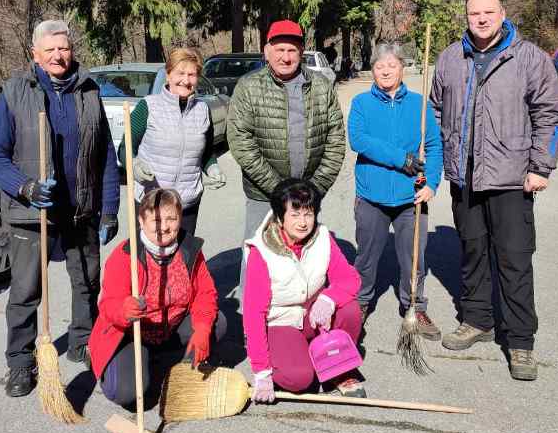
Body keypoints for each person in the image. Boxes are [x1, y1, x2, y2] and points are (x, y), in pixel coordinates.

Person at [429, 0, 558, 381]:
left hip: (511, 179)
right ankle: (477, 320)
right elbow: (436, 111)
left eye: (489, 12)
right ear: (466, 16)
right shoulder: (451, 58)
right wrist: (436, 158)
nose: (482, 19)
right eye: (475, 13)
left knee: (514, 258)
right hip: (465, 176)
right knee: (472, 252)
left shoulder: (530, 59)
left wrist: (541, 166)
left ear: (503, 13)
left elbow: (550, 115)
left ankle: (520, 340)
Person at [0, 20, 120, 397]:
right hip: (33, 213)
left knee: (88, 284)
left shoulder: (88, 89)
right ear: (35, 55)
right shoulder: (15, 92)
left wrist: (109, 206)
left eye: (64, 48)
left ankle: (82, 342)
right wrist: (25, 188)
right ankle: (20, 362)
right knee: (26, 291)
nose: (59, 56)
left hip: (81, 208)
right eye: (50, 51)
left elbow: (105, 154)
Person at [227, 19, 346, 298]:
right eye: (279, 49)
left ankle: (304, 322)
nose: (285, 57)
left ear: (301, 51)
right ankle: (252, 326)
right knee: (258, 260)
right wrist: (279, 191)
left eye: (292, 50)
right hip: (262, 195)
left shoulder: (320, 87)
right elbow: (241, 141)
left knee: (307, 263)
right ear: (266, 52)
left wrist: (313, 190)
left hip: (307, 195)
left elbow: (335, 139)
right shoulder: (248, 87)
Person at [88, 188, 226, 410]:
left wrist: (201, 329)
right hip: (132, 333)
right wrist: (125, 310)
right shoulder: (126, 255)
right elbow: (107, 305)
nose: (164, 226)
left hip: (170, 326)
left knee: (216, 323)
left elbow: (205, 293)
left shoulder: (189, 250)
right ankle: (119, 363)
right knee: (125, 393)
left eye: (171, 218)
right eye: (156, 219)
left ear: (180, 219)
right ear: (141, 221)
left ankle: (166, 361)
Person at [348, 42, 443, 336]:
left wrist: (432, 183)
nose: (385, 70)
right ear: (372, 71)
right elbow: (359, 140)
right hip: (371, 196)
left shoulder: (420, 105)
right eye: (379, 66)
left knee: (414, 258)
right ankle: (360, 304)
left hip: (410, 197)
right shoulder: (362, 104)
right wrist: (402, 159)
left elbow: (434, 146)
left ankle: (415, 306)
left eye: (391, 65)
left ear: (403, 67)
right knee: (366, 256)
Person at [243, 179, 364, 401]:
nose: (303, 222)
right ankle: (294, 354)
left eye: (308, 214)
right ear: (280, 217)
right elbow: (253, 313)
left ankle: (338, 370)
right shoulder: (261, 251)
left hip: (316, 315)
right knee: (298, 379)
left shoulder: (323, 238)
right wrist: (262, 371)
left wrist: (328, 299)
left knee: (350, 310)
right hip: (282, 321)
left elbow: (349, 279)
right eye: (295, 214)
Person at [119, 47, 225, 236]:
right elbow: (125, 147)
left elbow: (207, 152)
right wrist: (134, 164)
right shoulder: (148, 107)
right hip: (151, 201)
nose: (186, 80)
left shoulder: (203, 110)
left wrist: (213, 168)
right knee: (149, 262)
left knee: (183, 260)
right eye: (180, 73)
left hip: (187, 203)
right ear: (168, 75)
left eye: (192, 74)